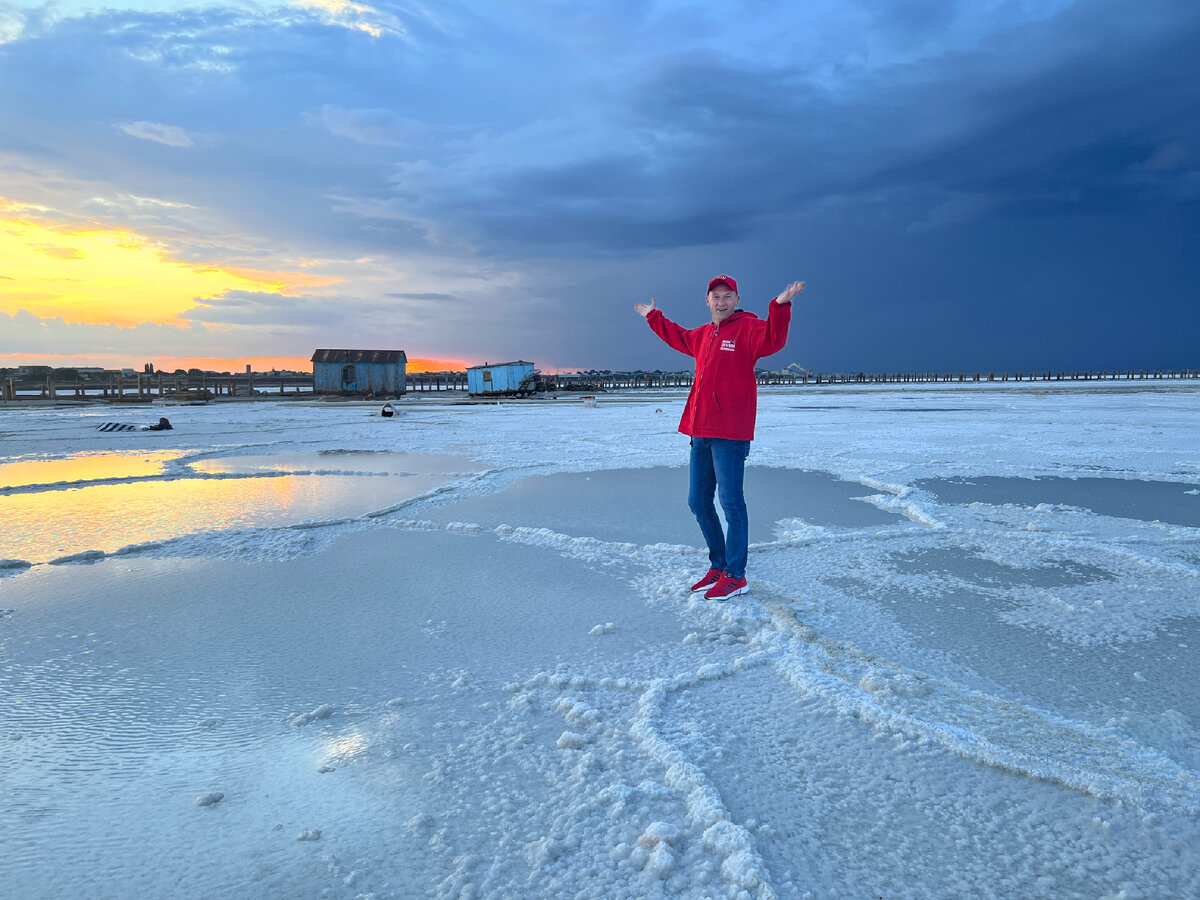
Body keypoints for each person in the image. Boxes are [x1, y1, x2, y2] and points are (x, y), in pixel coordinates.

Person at [636, 275, 805, 600]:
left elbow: (773, 340)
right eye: (716, 296)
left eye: (728, 296)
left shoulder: (748, 329)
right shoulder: (702, 335)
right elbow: (678, 336)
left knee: (731, 502)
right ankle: (719, 564)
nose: (722, 301)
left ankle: (736, 575)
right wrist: (653, 317)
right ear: (708, 300)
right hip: (700, 431)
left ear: (737, 299)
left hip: (730, 433)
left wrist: (780, 307)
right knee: (698, 501)